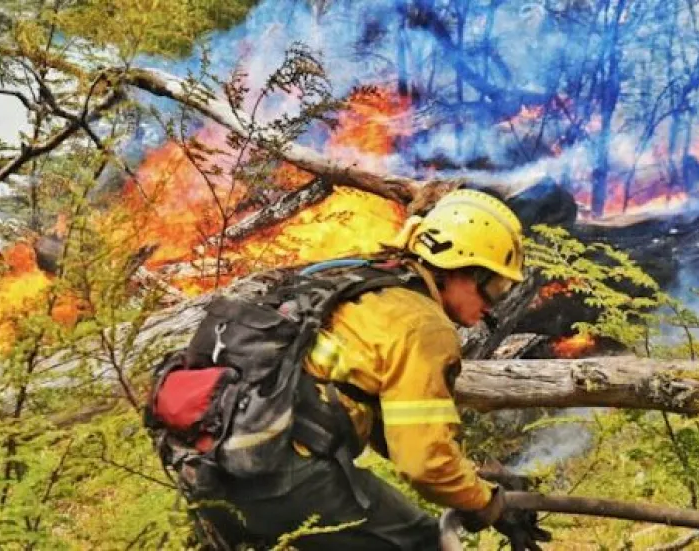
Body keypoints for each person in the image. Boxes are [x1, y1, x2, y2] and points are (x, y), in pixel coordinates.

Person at [193, 189, 547, 550]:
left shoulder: (364, 285)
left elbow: (388, 424)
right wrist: (489, 504)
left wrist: (473, 481)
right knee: (423, 542)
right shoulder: (425, 326)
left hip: (212, 459)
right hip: (277, 473)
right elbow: (423, 464)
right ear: (461, 269)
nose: (492, 308)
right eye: (495, 287)